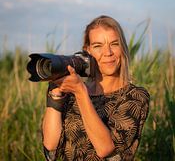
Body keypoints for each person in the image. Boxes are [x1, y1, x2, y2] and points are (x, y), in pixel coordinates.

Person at [42, 15, 150, 161]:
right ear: (88, 50)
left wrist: (80, 92)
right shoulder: (70, 93)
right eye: (98, 46)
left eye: (114, 44)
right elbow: (51, 145)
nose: (108, 52)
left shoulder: (135, 96)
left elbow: (105, 148)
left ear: (122, 47)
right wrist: (56, 92)